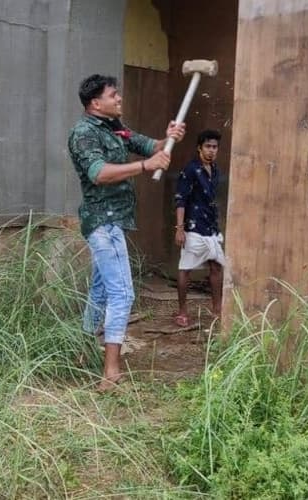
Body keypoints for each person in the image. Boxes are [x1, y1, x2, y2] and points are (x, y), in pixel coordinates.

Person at [68, 74, 186, 391]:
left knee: (101, 291)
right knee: (123, 293)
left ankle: (80, 352)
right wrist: (146, 166)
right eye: (113, 95)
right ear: (96, 103)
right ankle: (111, 374)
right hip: (103, 223)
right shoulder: (84, 133)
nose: (119, 98)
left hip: (113, 220)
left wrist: (169, 138)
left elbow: (150, 146)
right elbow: (99, 173)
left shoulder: (115, 127)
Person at [173, 129, 226, 326]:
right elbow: (181, 199)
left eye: (215, 147)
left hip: (210, 226)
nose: (212, 151)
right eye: (208, 147)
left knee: (216, 266)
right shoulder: (191, 169)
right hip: (193, 226)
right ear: (199, 148)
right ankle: (182, 312)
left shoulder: (215, 170)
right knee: (185, 268)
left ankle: (217, 310)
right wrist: (179, 228)